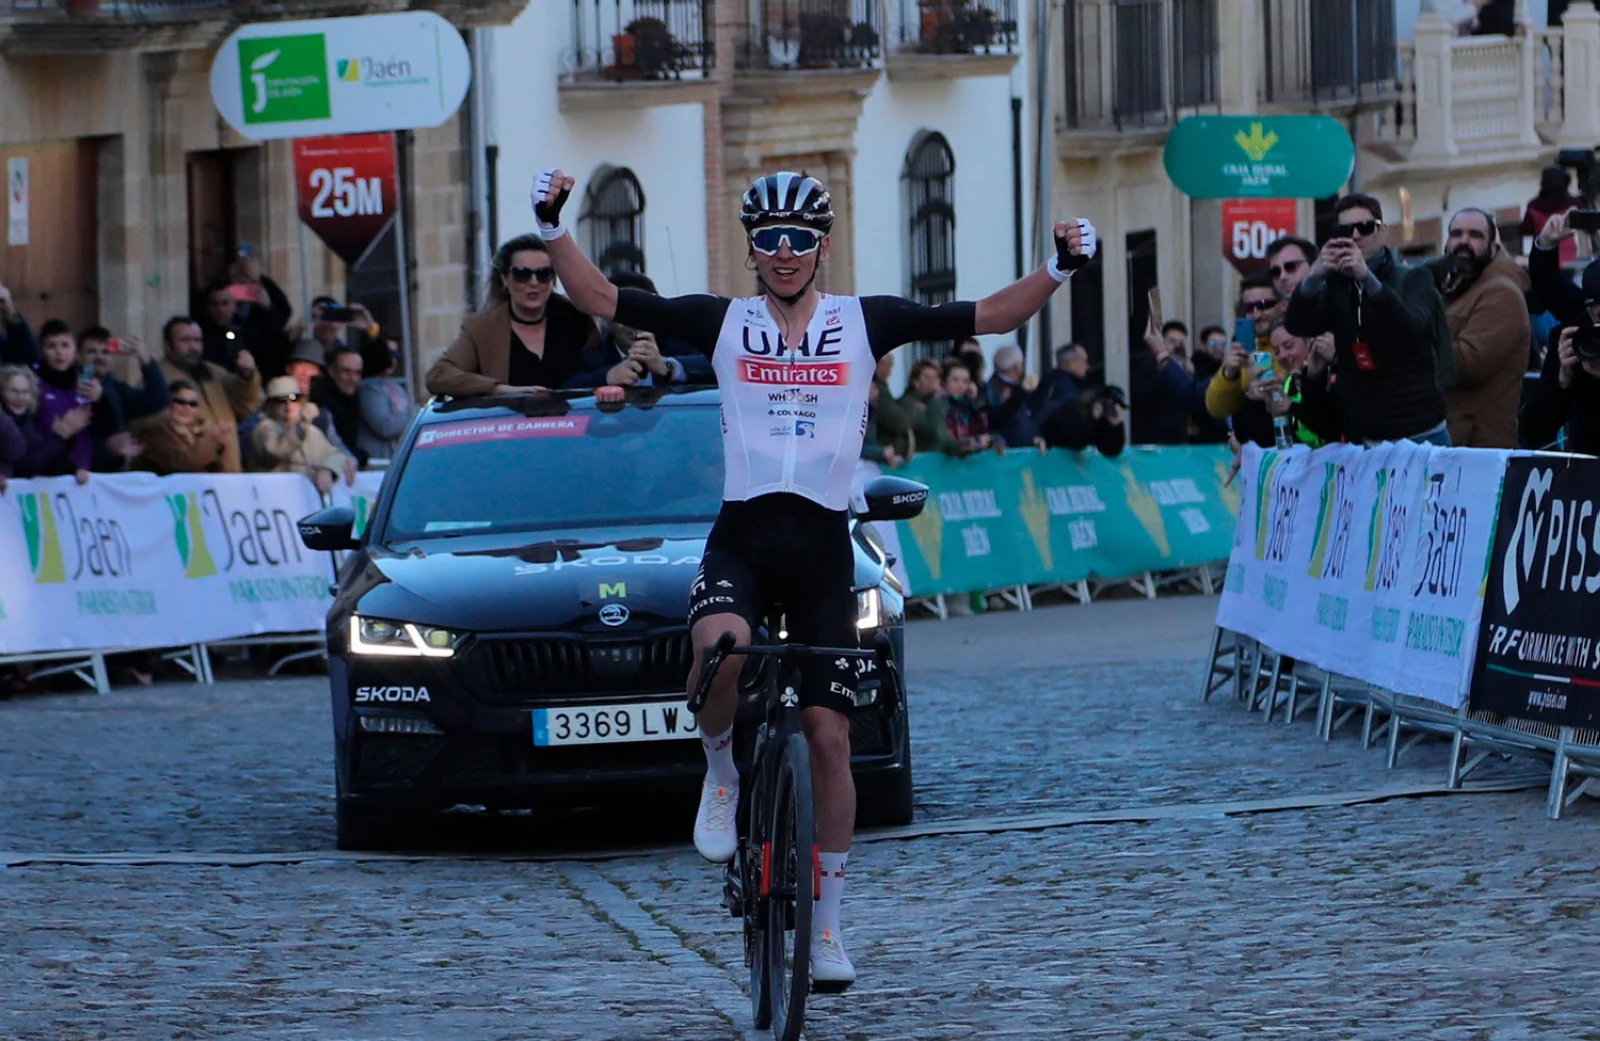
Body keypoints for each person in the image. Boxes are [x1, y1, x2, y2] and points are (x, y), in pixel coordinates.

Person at [533, 164, 1097, 988]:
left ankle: (827, 927)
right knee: (718, 652)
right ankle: (721, 770)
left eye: (800, 239)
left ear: (823, 246)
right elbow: (600, 298)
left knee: (831, 738)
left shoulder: (866, 320)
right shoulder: (720, 321)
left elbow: (988, 313)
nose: (786, 252)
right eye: (770, 240)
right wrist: (551, 226)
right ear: (753, 248)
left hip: (824, 548)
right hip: (744, 538)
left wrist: (1061, 268)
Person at [1283, 193, 1452, 445]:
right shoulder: (1337, 284)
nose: (1355, 236)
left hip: (1421, 430)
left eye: (1365, 227)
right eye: (1345, 229)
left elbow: (1412, 330)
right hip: (1369, 433)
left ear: (1382, 232)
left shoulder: (1414, 277)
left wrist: (1367, 279)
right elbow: (1299, 325)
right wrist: (1314, 277)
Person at [425, 234, 599, 397]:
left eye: (543, 274)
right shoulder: (483, 328)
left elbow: (602, 367)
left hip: (575, 425)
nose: (534, 283)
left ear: (553, 279)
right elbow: (438, 375)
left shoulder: (577, 318)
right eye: (522, 275)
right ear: (505, 279)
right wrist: (500, 389)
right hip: (509, 426)